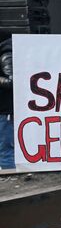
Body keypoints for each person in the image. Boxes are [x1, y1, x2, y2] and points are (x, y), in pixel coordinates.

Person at [0, 36, 14, 169]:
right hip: (6, 109)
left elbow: (11, 81)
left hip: (6, 110)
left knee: (6, 151)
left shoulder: (6, 51)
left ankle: (9, 175)